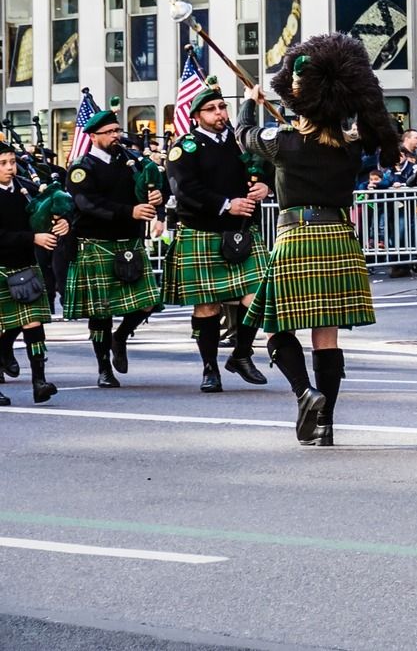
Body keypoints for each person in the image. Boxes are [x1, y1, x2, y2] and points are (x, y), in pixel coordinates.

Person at [242, 35, 398, 446]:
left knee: (275, 329)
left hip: (296, 238)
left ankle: (304, 393)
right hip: (340, 240)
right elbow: (370, 126)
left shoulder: (283, 143)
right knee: (326, 336)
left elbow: (243, 135)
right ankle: (325, 422)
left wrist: (250, 100)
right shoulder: (350, 148)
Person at [161, 81, 270, 392]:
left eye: (222, 107)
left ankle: (241, 354)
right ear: (197, 116)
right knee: (207, 307)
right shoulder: (185, 147)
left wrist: (265, 186)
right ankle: (210, 368)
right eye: (211, 109)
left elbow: (269, 166)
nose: (220, 113)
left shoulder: (241, 142)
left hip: (242, 233)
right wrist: (226, 205)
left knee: (258, 299)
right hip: (202, 231)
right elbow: (184, 190)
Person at [64, 105, 163, 389]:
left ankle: (120, 337)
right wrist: (128, 212)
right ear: (93, 136)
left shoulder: (130, 160)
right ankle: (104, 367)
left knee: (148, 303)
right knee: (101, 312)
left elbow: (154, 183)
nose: (115, 135)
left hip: (129, 241)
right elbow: (87, 205)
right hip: (97, 242)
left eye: (117, 130)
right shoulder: (82, 169)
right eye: (108, 132)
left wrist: (155, 193)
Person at [0, 140, 62, 405]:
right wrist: (32, 238)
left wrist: (61, 222)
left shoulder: (26, 190)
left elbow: (47, 213)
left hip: (25, 265)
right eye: (3, 163)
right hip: (1, 266)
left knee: (34, 324)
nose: (10, 168)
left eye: (12, 162)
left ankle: (39, 381)